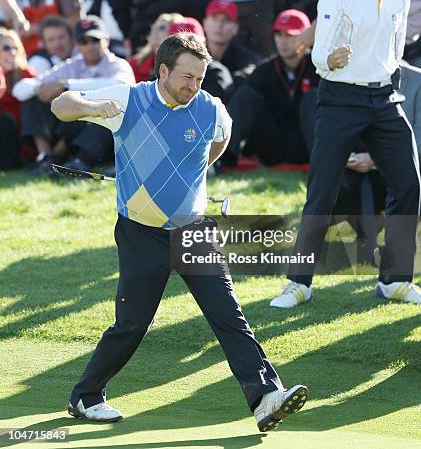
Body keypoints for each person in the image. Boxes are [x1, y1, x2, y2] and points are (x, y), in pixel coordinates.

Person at [50, 32, 309, 430]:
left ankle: (265, 397)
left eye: (200, 78)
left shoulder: (211, 107)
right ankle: (86, 396)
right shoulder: (128, 99)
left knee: (228, 315)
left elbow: (219, 141)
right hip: (141, 233)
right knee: (132, 323)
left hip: (193, 230)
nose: (194, 86)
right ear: (164, 70)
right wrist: (94, 105)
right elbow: (60, 105)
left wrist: (192, 172)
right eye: (187, 77)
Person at [270, 0, 421, 308]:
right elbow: (318, 51)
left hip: (385, 98)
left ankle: (395, 280)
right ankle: (299, 284)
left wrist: (391, 83)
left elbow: (394, 49)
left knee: (409, 184)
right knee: (321, 191)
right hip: (340, 97)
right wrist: (329, 59)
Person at [17, 15, 135, 174]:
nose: (89, 46)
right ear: (77, 45)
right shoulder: (72, 65)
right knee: (34, 100)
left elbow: (120, 85)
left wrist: (66, 85)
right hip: (73, 125)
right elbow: (20, 90)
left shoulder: (119, 64)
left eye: (94, 40)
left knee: (102, 115)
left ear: (106, 40)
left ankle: (79, 161)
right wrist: (41, 88)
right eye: (83, 41)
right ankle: (46, 157)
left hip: (107, 129)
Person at [222, 9, 319, 168]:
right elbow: (244, 101)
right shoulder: (266, 70)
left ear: (306, 36)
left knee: (313, 96)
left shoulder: (320, 68)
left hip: (308, 145)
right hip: (273, 147)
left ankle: (323, 163)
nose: (283, 41)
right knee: (246, 93)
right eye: (279, 35)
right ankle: (224, 158)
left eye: (290, 35)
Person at [0, 28, 36, 170]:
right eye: (6, 48)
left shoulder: (26, 73)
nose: (13, 52)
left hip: (24, 137)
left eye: (15, 48)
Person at [203, 0, 257, 87]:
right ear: (205, 23)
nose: (219, 25)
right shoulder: (193, 54)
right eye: (215, 19)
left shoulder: (245, 59)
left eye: (226, 20)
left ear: (235, 28)